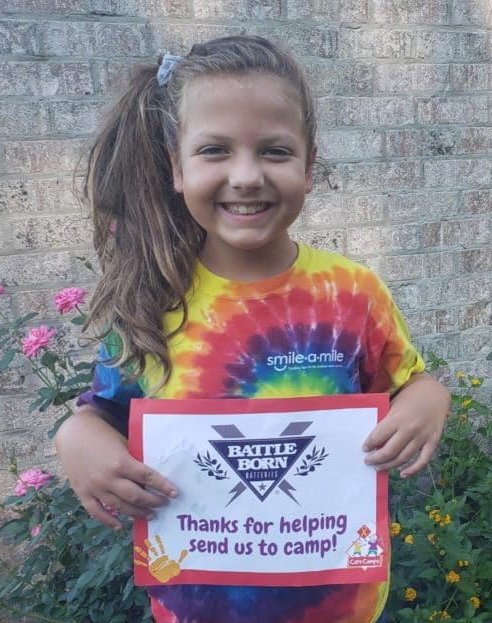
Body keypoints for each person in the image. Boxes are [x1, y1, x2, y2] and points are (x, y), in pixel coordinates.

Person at [54, 35, 451, 623]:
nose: (245, 175)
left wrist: (431, 399)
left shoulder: (351, 294)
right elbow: (105, 412)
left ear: (309, 168)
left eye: (274, 151)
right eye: (214, 150)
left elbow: (408, 384)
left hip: (341, 603)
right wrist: (75, 436)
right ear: (176, 169)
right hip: (196, 606)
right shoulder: (151, 303)